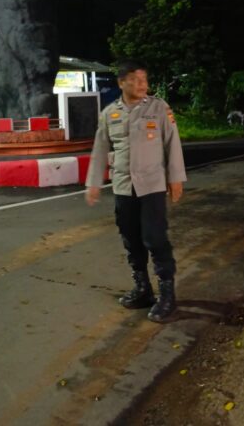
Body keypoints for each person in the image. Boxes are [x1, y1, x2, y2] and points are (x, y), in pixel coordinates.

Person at [85, 60, 186, 323]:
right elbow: (100, 148)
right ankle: (143, 289)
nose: (143, 85)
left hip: (152, 185)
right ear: (122, 83)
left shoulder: (159, 108)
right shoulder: (110, 113)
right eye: (136, 80)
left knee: (155, 238)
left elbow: (172, 143)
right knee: (131, 238)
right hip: (123, 186)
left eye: (144, 80)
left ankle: (168, 296)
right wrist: (93, 183)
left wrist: (176, 179)